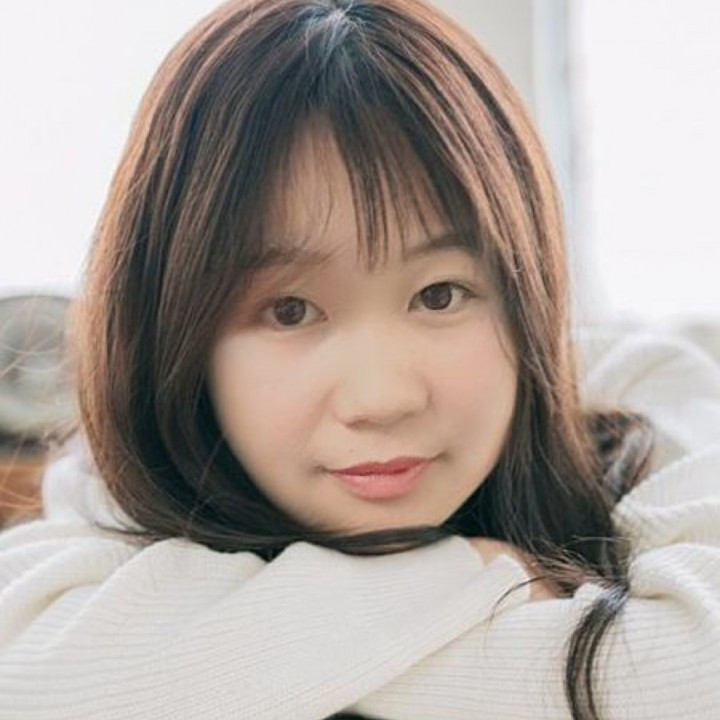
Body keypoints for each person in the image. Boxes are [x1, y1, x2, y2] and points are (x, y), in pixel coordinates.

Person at [1, 0, 718, 718]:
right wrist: (473, 574)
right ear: (174, 335)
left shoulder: (635, 391)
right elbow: (26, 677)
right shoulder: (112, 486)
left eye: (439, 295)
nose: (381, 398)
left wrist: (234, 665)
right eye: (289, 310)